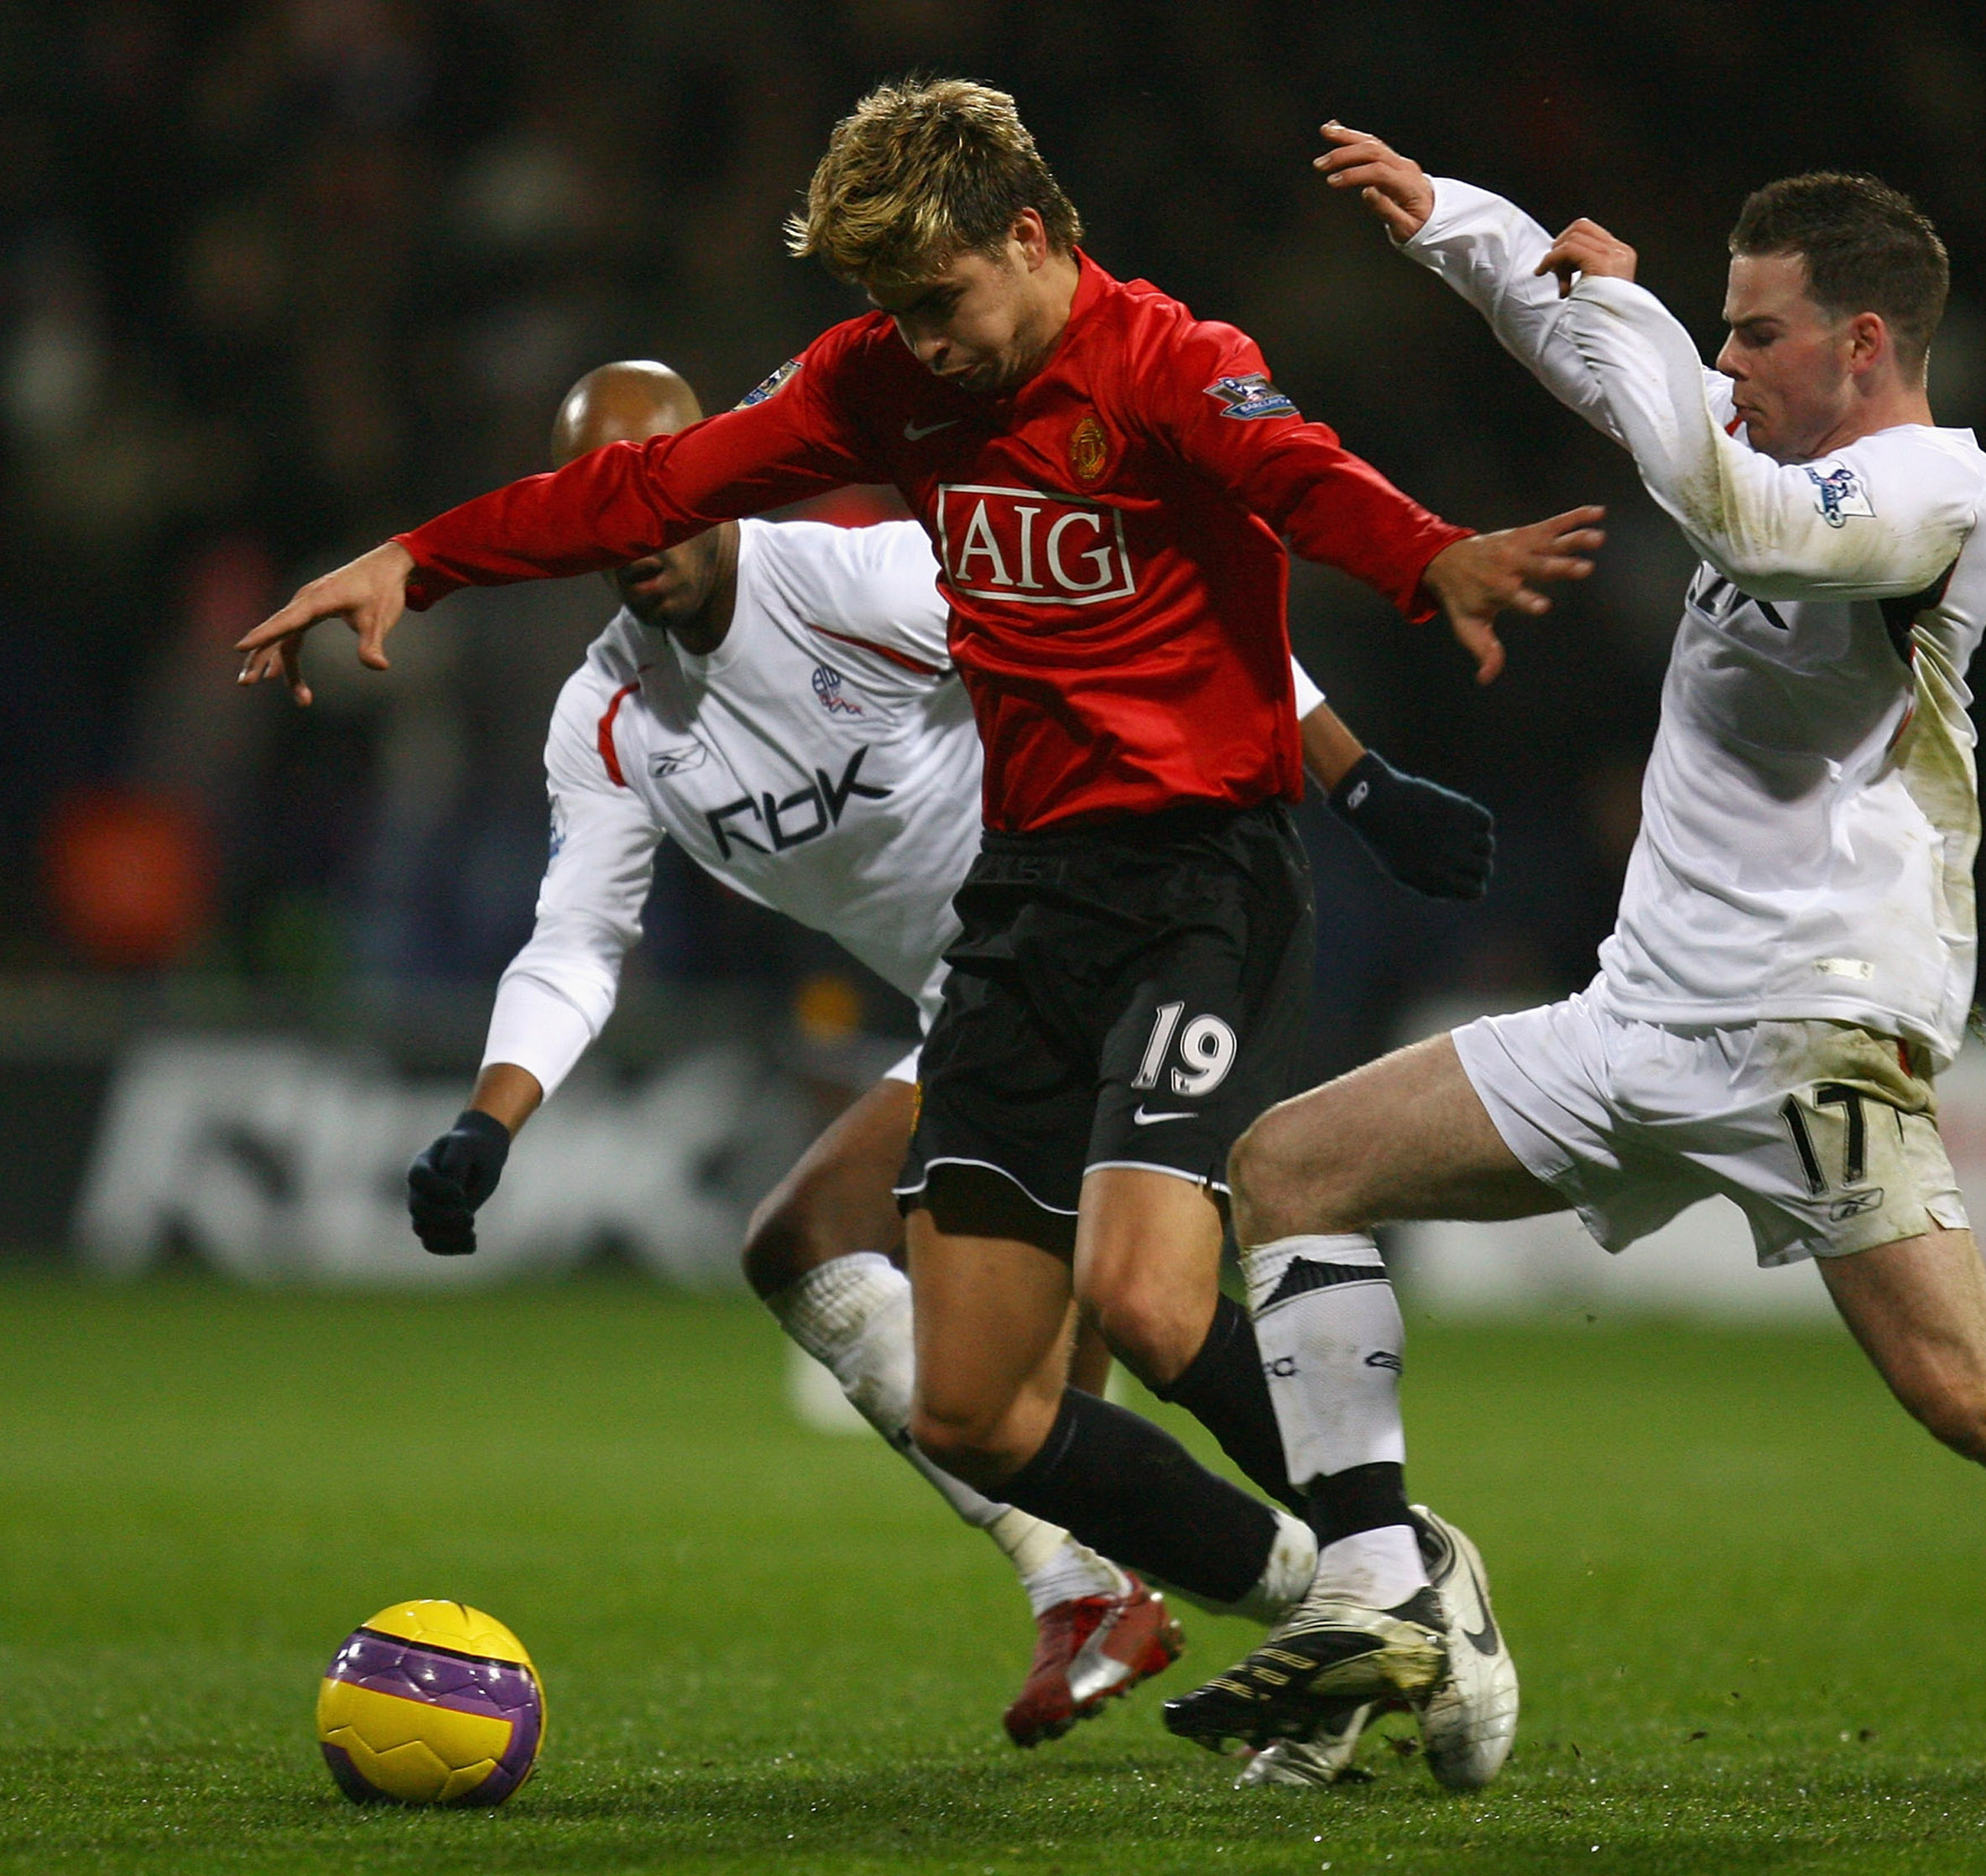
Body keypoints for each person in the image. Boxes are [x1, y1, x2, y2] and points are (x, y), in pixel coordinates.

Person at [240, 80, 1598, 1790]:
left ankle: (1397, 1560)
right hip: (1024, 912)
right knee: (970, 1405)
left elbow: (1292, 473)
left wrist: (1425, 574)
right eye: (891, 310)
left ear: (1034, 235)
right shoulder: (874, 391)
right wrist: (411, 562)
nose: (922, 343)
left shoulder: (1169, 358)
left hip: (1203, 867)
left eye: (941, 299)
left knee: (1143, 1286)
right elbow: (636, 489)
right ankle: (1302, 1586)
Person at [1170, 126, 1986, 1832]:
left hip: (1811, 1034)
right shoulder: (1751, 422)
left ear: (1863, 341)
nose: (1726, 359)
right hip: (1634, 1015)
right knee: (1287, 1168)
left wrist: (1635, 331)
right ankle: (1382, 1589)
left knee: (1978, 1398)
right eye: (1716, 327)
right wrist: (1458, 225)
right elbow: (1592, 343)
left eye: (1754, 331)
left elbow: (1756, 523)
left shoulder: (1941, 492)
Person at [397, 359, 1498, 1749]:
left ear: (716, 474)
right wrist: (490, 1122)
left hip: (1121, 927)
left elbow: (1149, 619)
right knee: (896, 1312)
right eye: (598, 510)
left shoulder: (856, 582)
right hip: (982, 1005)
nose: (637, 536)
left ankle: (1365, 1563)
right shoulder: (609, 720)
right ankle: (1300, 1585)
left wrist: (1354, 774)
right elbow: (576, 942)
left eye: (659, 496)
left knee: (1123, 1311)